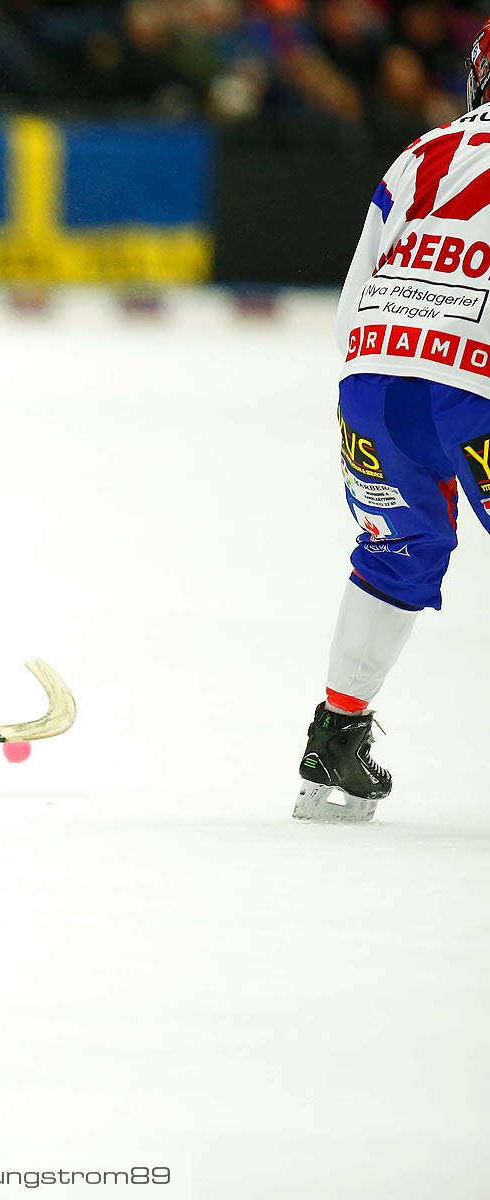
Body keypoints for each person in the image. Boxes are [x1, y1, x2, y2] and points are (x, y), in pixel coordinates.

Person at [296, 16, 490, 822]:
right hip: (474, 381)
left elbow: (358, 285)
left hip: (376, 377)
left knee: (399, 547)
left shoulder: (425, 150)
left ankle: (336, 738)